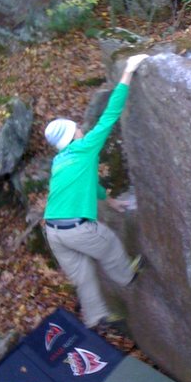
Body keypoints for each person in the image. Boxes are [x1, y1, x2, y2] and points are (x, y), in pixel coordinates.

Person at [43, 54, 149, 331]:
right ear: (72, 135)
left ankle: (96, 318)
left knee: (84, 277)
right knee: (110, 244)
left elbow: (86, 185)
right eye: (76, 127)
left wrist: (109, 200)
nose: (80, 127)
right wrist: (128, 71)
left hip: (53, 232)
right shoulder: (83, 148)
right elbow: (110, 115)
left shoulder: (60, 160)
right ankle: (127, 277)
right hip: (75, 228)